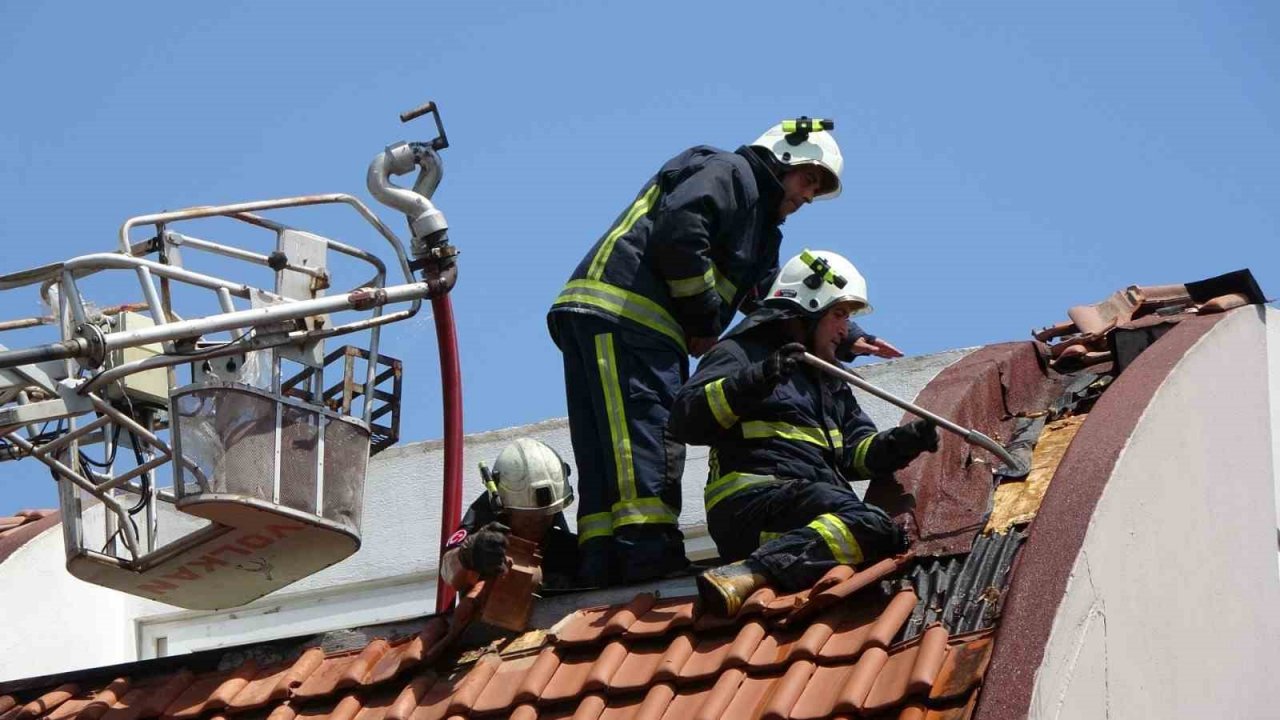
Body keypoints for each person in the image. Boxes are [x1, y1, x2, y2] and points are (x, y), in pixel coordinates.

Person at [546, 118, 846, 586]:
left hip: (604, 317)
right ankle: (648, 555)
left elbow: (773, 300)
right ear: (783, 158)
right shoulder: (729, 172)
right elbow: (682, 231)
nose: (809, 196)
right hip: (633, 319)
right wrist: (704, 320)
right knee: (648, 435)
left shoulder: (759, 226)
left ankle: (601, 562)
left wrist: (843, 334)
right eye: (809, 180)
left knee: (606, 451)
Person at [667, 250, 940, 615]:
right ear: (808, 309)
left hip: (806, 503)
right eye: (839, 314)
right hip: (749, 507)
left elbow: (856, 456)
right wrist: (756, 379)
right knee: (872, 526)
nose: (845, 330)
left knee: (880, 529)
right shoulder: (740, 352)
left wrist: (905, 441)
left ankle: (752, 574)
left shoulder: (829, 378)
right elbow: (686, 419)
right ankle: (747, 572)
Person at [440, 438, 579, 593]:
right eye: (528, 519)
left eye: (546, 515)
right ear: (505, 508)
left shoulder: (568, 547)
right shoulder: (482, 530)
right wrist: (467, 555)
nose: (537, 524)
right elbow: (447, 569)